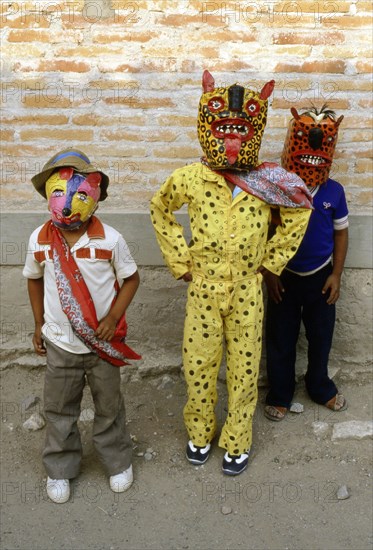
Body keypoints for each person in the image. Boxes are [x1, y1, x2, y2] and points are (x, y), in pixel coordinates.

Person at [150, 71, 312, 475]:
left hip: (246, 289)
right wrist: (181, 262)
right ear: (209, 129)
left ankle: (237, 440)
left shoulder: (268, 181)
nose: (232, 139)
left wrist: (271, 261)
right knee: (199, 364)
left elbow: (299, 210)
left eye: (241, 130)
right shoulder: (191, 176)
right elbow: (160, 207)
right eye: (225, 131)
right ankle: (200, 432)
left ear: (255, 130)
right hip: (204, 289)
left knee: (243, 366)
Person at [23, 148, 141, 503]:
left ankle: (117, 461)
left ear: (95, 196)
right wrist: (38, 324)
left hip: (101, 344)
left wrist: (112, 318)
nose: (69, 201)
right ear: (48, 195)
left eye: (80, 193)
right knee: (59, 408)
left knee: (109, 405)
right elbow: (33, 280)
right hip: (60, 342)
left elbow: (132, 279)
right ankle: (60, 468)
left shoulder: (110, 239)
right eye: (59, 192)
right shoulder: (38, 240)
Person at [264, 105, 349, 421]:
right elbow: (266, 232)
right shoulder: (278, 189)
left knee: (321, 336)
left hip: (320, 277)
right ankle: (280, 393)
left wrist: (336, 274)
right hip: (283, 277)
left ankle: (320, 387)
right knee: (280, 338)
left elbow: (341, 234)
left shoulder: (334, 191)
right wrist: (270, 272)